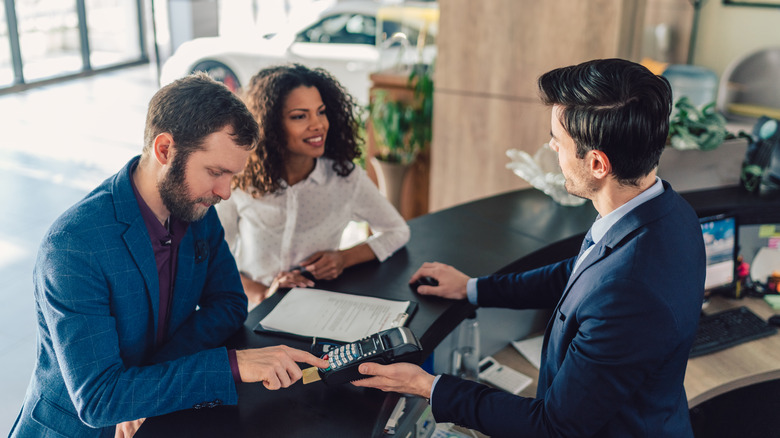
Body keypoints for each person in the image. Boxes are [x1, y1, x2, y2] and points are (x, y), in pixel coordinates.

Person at [353, 58, 706, 437]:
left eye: (559, 140)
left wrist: (427, 386)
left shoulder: (630, 289)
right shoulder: (666, 211)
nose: (552, 146)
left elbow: (553, 426)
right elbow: (581, 273)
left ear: (598, 164)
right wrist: (473, 288)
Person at [9, 73, 328, 438]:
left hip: (159, 419)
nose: (225, 192)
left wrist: (145, 388)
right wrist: (229, 365)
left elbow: (229, 303)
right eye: (215, 172)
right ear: (165, 150)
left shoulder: (197, 209)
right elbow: (99, 399)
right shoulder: (73, 247)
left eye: (232, 176)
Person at [216, 64, 410, 306]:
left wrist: (343, 258)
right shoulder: (239, 178)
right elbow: (214, 260)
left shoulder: (345, 178)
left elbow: (397, 231)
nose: (318, 124)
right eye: (300, 116)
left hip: (315, 308)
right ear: (270, 124)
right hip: (251, 309)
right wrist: (262, 294)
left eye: (321, 112)